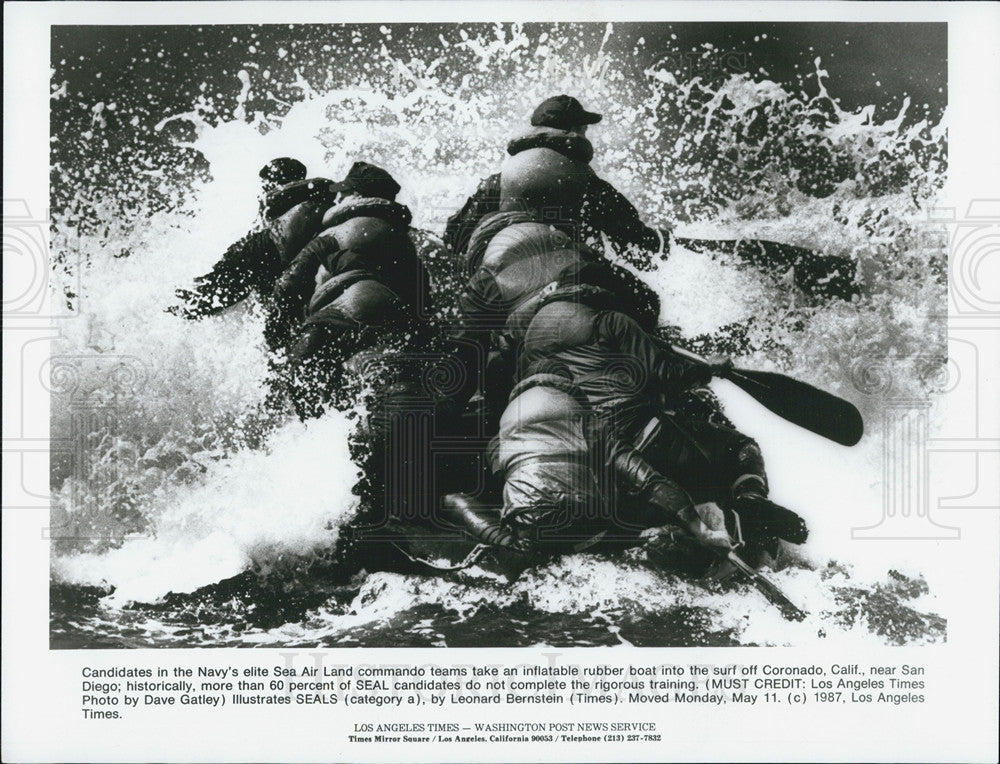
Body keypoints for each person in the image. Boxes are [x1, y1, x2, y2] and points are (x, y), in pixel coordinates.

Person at [272, 161, 433, 419]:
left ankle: (320, 436)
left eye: (343, 192)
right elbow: (424, 307)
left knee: (300, 371)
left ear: (357, 195)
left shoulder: (340, 231)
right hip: (394, 324)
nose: (337, 197)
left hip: (346, 313)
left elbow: (288, 284)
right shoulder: (407, 244)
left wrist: (278, 342)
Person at [444, 95, 670, 270]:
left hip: (499, 277)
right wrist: (666, 243)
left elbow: (456, 235)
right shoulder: (586, 183)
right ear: (574, 132)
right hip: (559, 277)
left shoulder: (502, 179)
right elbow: (633, 239)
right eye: (584, 129)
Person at [169, 158, 337, 354]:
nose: (263, 188)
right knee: (210, 301)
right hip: (269, 258)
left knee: (207, 300)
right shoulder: (308, 201)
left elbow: (278, 199)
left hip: (261, 253)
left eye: (267, 182)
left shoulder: (294, 196)